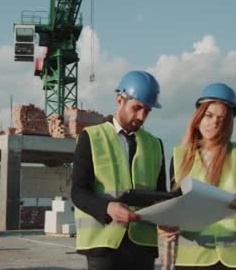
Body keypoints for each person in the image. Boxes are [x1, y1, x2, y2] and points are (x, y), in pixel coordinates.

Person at [162, 82, 236, 270]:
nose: (213, 123)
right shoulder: (179, 156)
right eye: (209, 115)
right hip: (194, 257)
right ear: (198, 116)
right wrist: (168, 225)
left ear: (228, 123)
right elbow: (175, 202)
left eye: (221, 119)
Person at [71, 70, 168, 270]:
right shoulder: (91, 137)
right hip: (103, 243)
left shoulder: (155, 145)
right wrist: (107, 208)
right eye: (137, 108)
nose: (141, 116)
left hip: (143, 246)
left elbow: (161, 196)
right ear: (119, 100)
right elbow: (78, 192)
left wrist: (169, 216)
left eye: (147, 111)